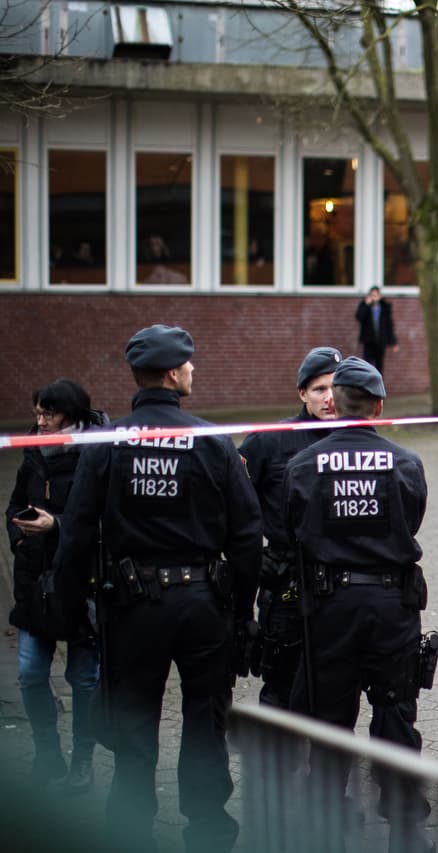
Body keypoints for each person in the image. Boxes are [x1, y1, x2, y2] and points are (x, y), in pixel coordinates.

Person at [52, 325, 262, 853]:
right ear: (172, 374)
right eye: (189, 365)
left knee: (133, 726)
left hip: (132, 606)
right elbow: (246, 534)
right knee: (204, 722)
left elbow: (77, 531)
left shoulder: (109, 441)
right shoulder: (212, 440)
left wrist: (69, 612)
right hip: (201, 604)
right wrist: (241, 611)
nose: (193, 370)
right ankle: (210, 834)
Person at [284, 357, 430, 837]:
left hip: (330, 606)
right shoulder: (406, 463)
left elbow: (295, 531)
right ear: (379, 406)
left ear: (335, 403)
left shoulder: (303, 464)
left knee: (330, 718)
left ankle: (327, 822)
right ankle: (405, 826)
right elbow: (411, 520)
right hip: (391, 606)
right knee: (395, 712)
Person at [7, 380, 105, 792]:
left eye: (50, 414)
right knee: (30, 673)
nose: (41, 421)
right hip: (37, 583)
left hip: (83, 583)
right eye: (37, 413)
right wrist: (19, 532)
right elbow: (13, 503)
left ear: (74, 415)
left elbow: (108, 519)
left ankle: (83, 762)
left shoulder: (100, 452)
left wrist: (57, 526)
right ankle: (48, 755)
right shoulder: (33, 452)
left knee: (83, 679)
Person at [238, 347, 341, 709]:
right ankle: (276, 766)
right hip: (286, 586)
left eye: (336, 387)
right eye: (319, 389)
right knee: (282, 690)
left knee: (332, 693)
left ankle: (324, 766)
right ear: (302, 394)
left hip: (340, 587)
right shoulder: (269, 441)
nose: (330, 398)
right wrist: (253, 559)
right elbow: (234, 504)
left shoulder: (356, 440)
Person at [354, 285, 399, 372]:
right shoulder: (364, 305)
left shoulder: (385, 307)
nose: (374, 297)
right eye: (372, 295)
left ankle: (378, 383)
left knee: (379, 365)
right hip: (368, 341)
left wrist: (393, 342)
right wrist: (366, 305)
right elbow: (359, 317)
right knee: (367, 363)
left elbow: (389, 325)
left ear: (380, 296)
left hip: (380, 341)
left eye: (376, 295)